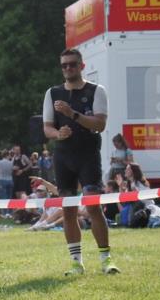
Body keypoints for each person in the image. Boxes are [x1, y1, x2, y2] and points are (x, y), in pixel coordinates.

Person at [42, 48, 119, 275]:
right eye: (64, 65)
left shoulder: (96, 91)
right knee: (68, 211)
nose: (68, 68)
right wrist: (58, 134)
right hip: (63, 157)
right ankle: (76, 263)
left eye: (72, 64)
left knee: (93, 207)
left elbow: (100, 125)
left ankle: (106, 259)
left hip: (88, 155)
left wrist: (72, 114)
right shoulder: (52, 93)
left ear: (81, 66)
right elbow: (47, 127)